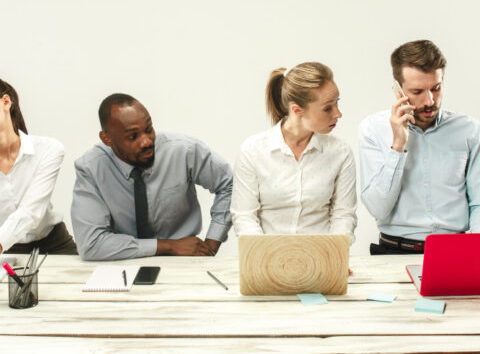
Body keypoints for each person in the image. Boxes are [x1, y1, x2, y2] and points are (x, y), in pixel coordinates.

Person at [71, 93, 233, 261]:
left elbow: (228, 184)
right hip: (120, 261)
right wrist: (169, 246)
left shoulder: (183, 150)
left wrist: (212, 244)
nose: (146, 141)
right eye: (133, 136)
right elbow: (91, 244)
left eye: (148, 129)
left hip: (184, 260)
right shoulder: (91, 169)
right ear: (107, 139)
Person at [359, 40, 480, 255]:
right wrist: (398, 146)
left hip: (454, 252)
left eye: (436, 88)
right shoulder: (373, 130)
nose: (429, 101)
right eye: (417, 91)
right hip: (393, 252)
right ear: (397, 88)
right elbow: (378, 208)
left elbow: (478, 203)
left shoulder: (469, 130)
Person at [231, 62, 357, 243]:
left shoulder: (340, 152)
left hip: (322, 259)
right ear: (297, 110)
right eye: (327, 108)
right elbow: (244, 216)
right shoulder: (253, 151)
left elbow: (344, 216)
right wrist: (265, 256)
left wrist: (334, 254)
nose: (338, 113)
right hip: (267, 259)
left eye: (337, 102)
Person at [0, 79, 77, 255]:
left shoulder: (48, 149)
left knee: (83, 281)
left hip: (55, 243)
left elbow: (31, 211)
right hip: (9, 249)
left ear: (5, 102)